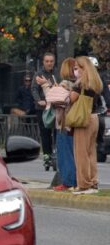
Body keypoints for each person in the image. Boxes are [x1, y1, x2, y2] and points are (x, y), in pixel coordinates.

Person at [69, 56, 103, 194]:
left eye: (77, 67)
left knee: (81, 153)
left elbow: (71, 99)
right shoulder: (95, 82)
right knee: (91, 152)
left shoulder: (80, 84)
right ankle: (93, 181)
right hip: (94, 117)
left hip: (83, 119)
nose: (75, 70)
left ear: (84, 68)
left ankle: (83, 184)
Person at [42, 58, 77, 191]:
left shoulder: (65, 84)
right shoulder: (78, 84)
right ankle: (74, 179)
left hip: (63, 122)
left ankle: (67, 181)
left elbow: (53, 98)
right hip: (74, 122)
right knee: (73, 153)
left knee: (64, 152)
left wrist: (45, 86)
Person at [32, 52, 58, 164]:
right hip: (42, 108)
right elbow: (34, 89)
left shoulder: (57, 73)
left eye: (51, 61)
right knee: (45, 132)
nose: (49, 63)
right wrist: (39, 100)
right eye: (47, 61)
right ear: (43, 62)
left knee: (57, 131)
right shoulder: (38, 74)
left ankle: (56, 152)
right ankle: (47, 154)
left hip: (55, 106)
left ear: (54, 62)